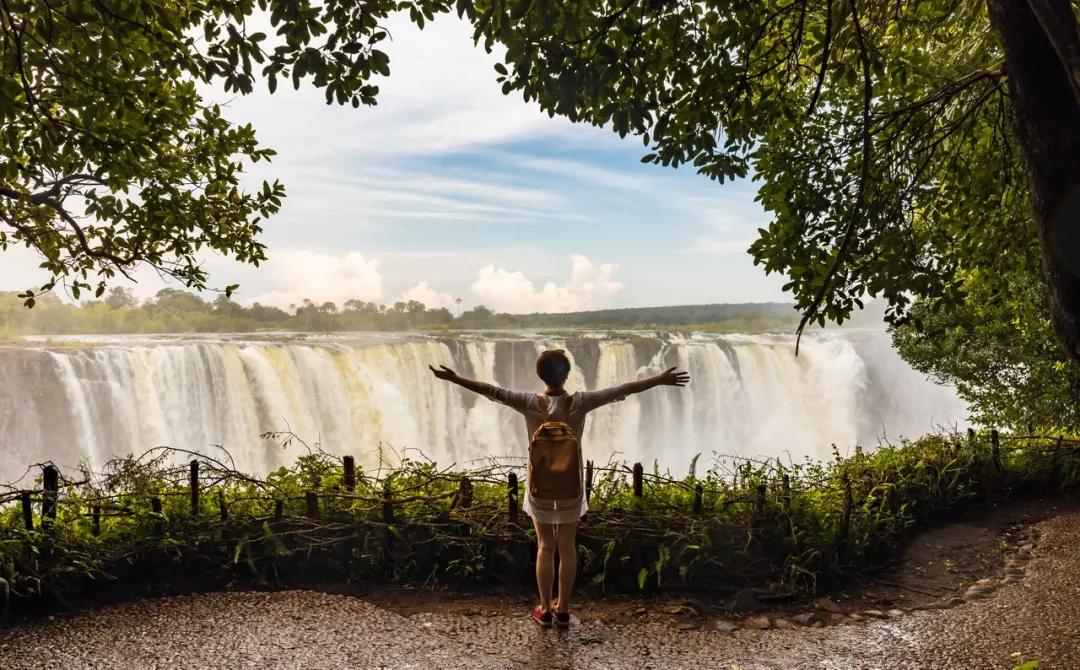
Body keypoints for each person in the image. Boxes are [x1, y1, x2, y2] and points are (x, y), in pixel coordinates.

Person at [428, 349, 690, 628]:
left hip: (540, 487)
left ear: (540, 375)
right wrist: (659, 379)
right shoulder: (581, 402)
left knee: (545, 546)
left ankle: (544, 608)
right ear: (567, 374)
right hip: (571, 488)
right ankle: (563, 608)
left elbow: (492, 391)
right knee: (567, 547)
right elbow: (620, 390)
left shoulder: (529, 402)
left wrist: (455, 379)